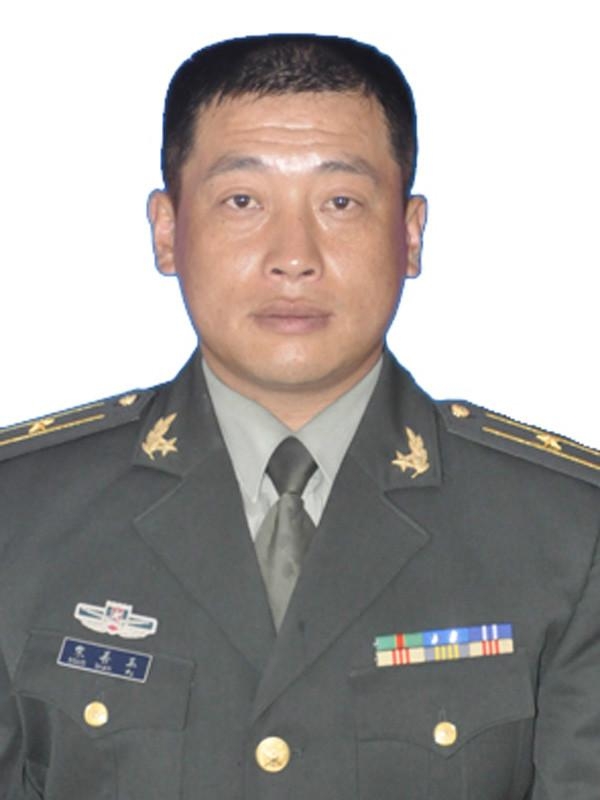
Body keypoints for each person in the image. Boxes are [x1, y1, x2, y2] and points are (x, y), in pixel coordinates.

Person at [0, 33, 599, 800]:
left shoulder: (567, 534)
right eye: (243, 201)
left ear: (410, 233)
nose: (294, 256)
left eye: (340, 202)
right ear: (166, 230)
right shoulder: (20, 515)